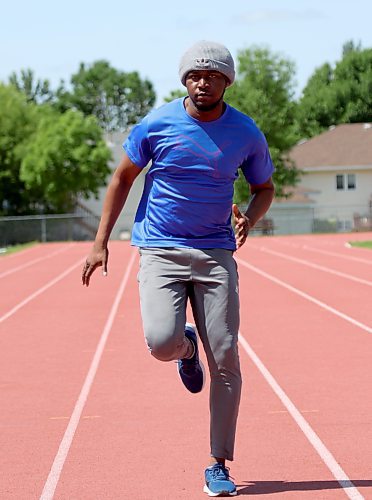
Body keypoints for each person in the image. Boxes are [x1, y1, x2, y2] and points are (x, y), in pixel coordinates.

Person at [82, 40, 275, 497]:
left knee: (226, 357)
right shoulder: (158, 123)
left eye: (212, 75)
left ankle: (219, 464)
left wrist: (251, 213)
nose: (202, 81)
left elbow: (264, 186)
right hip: (161, 249)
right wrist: (100, 242)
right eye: (194, 75)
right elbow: (121, 177)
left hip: (215, 254)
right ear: (184, 80)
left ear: (226, 81)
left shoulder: (245, 133)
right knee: (160, 342)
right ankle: (185, 350)